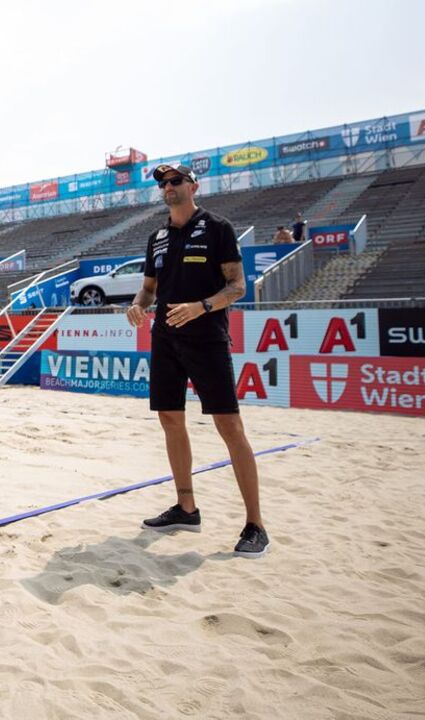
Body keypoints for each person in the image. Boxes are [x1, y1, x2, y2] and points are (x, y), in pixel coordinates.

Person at [125, 163, 268, 559]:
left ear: (193, 186)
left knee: (229, 425)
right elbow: (148, 289)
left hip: (206, 337)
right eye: (163, 183)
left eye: (175, 181)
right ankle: (186, 508)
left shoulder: (218, 228)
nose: (168, 187)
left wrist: (201, 307)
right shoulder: (156, 237)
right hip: (166, 338)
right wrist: (136, 307)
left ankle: (256, 524)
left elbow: (237, 285)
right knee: (170, 419)